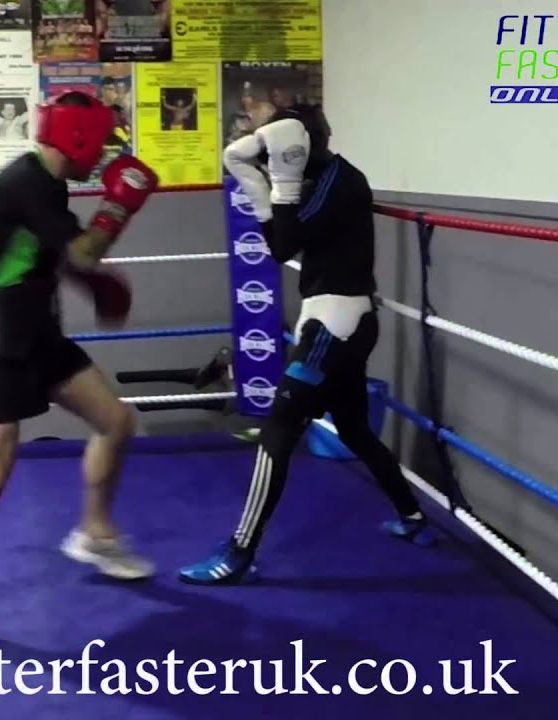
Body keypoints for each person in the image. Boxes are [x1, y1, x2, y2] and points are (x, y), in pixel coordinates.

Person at [0, 91, 161, 653]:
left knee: (115, 421)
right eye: (99, 142)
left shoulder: (44, 184)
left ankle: (96, 533)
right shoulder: (27, 183)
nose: (103, 155)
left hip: (39, 333)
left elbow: (48, 255)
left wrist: (91, 287)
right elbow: (80, 251)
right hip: (2, 343)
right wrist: (119, 205)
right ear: (78, 138)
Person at [178, 104, 432, 586]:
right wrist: (255, 184)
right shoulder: (329, 179)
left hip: (333, 328)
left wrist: (279, 182)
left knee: (278, 430)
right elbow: (281, 241)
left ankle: (239, 551)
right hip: (340, 321)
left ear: (298, 145)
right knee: (354, 429)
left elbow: (283, 244)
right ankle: (413, 516)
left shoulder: (339, 184)